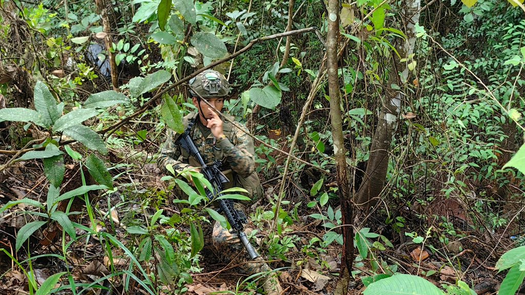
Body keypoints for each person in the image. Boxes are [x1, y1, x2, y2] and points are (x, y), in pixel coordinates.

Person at [157, 69, 283, 295]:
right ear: (195, 102)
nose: (214, 106)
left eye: (219, 100)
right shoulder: (182, 126)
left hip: (229, 196)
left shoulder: (234, 129)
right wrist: (186, 170)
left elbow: (247, 167)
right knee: (198, 247)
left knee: (223, 237)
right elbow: (162, 158)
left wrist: (221, 138)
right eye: (208, 101)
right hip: (197, 201)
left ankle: (264, 274)